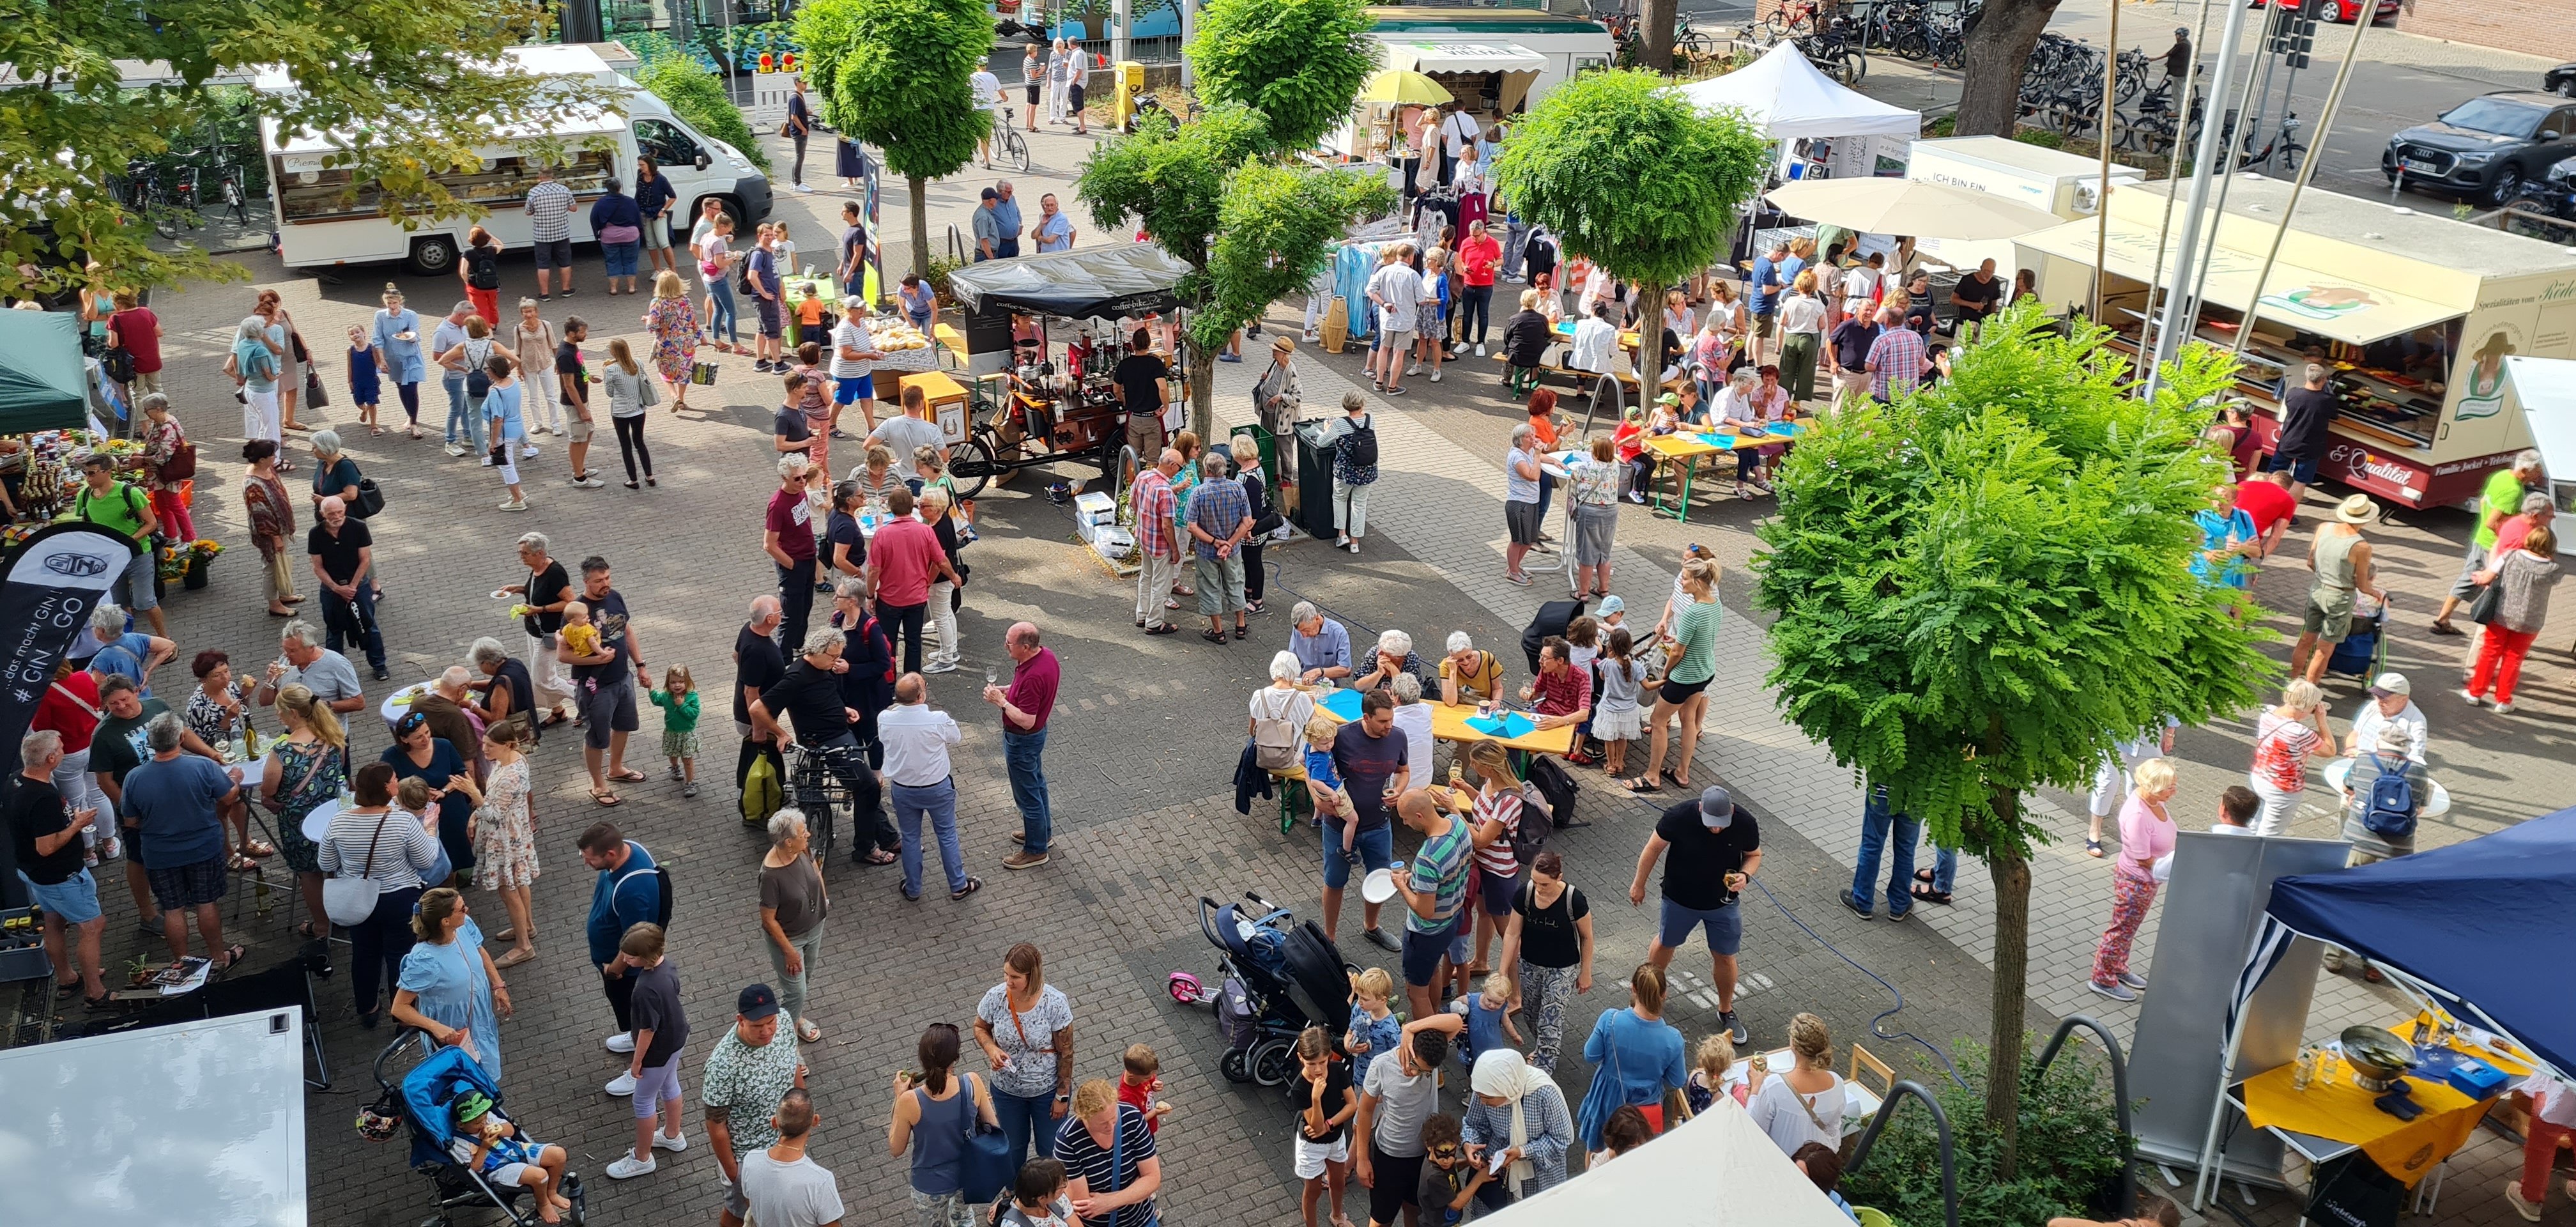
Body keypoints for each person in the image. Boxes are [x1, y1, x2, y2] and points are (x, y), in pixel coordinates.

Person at [1631, 785, 1758, 1046]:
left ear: (1731, 811)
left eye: (1721, 825)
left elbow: (1754, 855)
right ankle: (1647, 995)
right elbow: (1653, 849)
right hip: (1679, 899)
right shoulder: (1678, 816)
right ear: (1700, 809)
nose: (1716, 830)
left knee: (1725, 955)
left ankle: (1726, 1010)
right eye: (1711, 824)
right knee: (1666, 942)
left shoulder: (1745, 822)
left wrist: (1745, 876)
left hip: (1723, 903)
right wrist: (1639, 884)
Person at [122, 713, 247, 970]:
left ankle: (181, 964)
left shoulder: (134, 778)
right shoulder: (202, 767)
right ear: (180, 738)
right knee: (206, 903)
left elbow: (131, 821)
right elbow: (228, 798)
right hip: (203, 849)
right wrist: (235, 778)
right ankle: (219, 958)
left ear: (151, 742)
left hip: (160, 854)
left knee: (173, 909)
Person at [12, 730, 109, 1008]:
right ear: (51, 758)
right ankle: (95, 990)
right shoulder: (42, 798)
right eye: (62, 749)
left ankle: (68, 978)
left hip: (34, 873)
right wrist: (77, 825)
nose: (65, 751)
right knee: (92, 926)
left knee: (54, 921)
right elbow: (47, 847)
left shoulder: (15, 782)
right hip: (60, 875)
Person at [704, 983, 810, 1227]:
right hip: (748, 1158)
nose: (767, 1031)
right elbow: (715, 1124)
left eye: (770, 1022)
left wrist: (803, 1113)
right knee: (737, 1213)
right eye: (757, 1026)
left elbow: (792, 1062)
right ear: (740, 1020)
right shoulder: (722, 1065)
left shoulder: (783, 1021)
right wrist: (735, 1176)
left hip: (786, 1142)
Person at [390, 887, 514, 1079]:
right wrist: (435, 1027)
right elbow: (399, 1008)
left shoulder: (464, 926)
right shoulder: (424, 961)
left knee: (488, 1083)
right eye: (462, 909)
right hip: (453, 1036)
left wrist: (498, 985)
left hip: (480, 1023)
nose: (468, 910)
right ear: (445, 921)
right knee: (465, 1093)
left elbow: (479, 950)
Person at [880, 672, 978, 902]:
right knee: (946, 835)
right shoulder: (938, 719)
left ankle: (913, 888)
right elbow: (955, 738)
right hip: (937, 787)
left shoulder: (884, 718)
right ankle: (958, 884)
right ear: (921, 696)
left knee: (911, 837)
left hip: (903, 788)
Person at [1573, 962, 1686, 1160]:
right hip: (1645, 1108)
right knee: (1638, 1154)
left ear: (1633, 988)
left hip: (1607, 1098)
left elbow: (1590, 1055)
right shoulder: (1673, 1039)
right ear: (1664, 994)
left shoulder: (1611, 1020)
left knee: (1598, 1149)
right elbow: (1677, 1081)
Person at [1624, 559, 1719, 792]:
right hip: (1704, 672)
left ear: (1697, 582)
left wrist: (1667, 672)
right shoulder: (1715, 604)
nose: (1681, 582)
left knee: (1657, 721)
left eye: (1685, 578)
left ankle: (1652, 775)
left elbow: (1678, 653)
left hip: (1683, 676)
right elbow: (1699, 638)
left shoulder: (1691, 613)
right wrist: (1677, 639)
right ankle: (1682, 773)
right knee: (1688, 720)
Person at [1495, 850, 1593, 1074]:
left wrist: (1586, 971)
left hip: (1562, 969)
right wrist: (1502, 971)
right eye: (1535, 882)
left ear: (1559, 878)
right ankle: (1543, 1048)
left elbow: (1587, 937)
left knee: (1551, 1019)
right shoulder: (1525, 894)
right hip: (1530, 965)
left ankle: (1543, 1069)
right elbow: (1512, 933)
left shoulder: (1574, 900)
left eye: (1545, 884)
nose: (1539, 888)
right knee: (1532, 1014)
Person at [1392, 788, 1485, 1023]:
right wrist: (1417, 879)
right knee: (1432, 969)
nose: (1404, 823)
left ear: (1419, 816)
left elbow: (1425, 910)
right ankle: (1436, 1016)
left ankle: (1429, 1039)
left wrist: (1402, 885)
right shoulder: (1457, 823)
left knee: (1416, 992)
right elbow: (1448, 872)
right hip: (1453, 919)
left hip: (1426, 932)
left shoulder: (1427, 857)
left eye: (1405, 818)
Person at [604, 922, 689, 1178]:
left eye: (630, 956)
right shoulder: (668, 966)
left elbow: (647, 1030)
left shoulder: (645, 989)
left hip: (657, 1052)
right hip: (677, 1039)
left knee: (642, 1102)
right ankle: (673, 1135)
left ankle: (642, 1158)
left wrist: (637, 1062)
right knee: (670, 1084)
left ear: (645, 956)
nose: (625, 960)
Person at [1326, 691, 1410, 950]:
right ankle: (1329, 938)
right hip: (1339, 827)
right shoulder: (1341, 736)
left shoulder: (1397, 736)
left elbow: (1403, 771)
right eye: (1383, 721)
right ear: (1366, 717)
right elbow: (1311, 765)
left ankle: (1371, 927)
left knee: (1379, 878)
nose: (1389, 726)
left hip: (1379, 826)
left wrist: (1400, 790)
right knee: (1334, 882)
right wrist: (1318, 800)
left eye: (1391, 720)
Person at [2089, 757, 2177, 1002]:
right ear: (2152, 786)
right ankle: (2102, 978)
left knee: (2129, 928)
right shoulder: (2137, 815)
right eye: (2169, 787)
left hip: (2149, 881)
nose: (2174, 791)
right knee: (2121, 928)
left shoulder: (2155, 802)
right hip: (2136, 882)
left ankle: (2118, 967)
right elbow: (2144, 860)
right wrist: (2175, 866)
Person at [562, 556, 648, 805]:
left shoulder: (615, 597)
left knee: (624, 726)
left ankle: (616, 768)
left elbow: (627, 630)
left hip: (623, 678)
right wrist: (596, 661)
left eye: (608, 578)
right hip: (595, 688)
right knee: (597, 737)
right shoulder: (575, 611)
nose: (605, 584)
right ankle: (598, 785)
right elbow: (563, 654)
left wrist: (640, 665)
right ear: (586, 581)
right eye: (599, 581)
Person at [582, 823, 664, 1068]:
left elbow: (634, 943)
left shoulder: (632, 891)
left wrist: (614, 971)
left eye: (590, 860)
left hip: (626, 973)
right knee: (631, 1016)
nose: (587, 864)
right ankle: (633, 1035)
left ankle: (642, 1068)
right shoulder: (629, 849)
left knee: (639, 1016)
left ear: (611, 854)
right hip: (616, 965)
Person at [1354, 1021, 1452, 1227]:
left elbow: (1456, 1021)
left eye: (1427, 1072)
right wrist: (1362, 1159)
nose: (1417, 1074)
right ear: (1410, 1048)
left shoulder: (1431, 1055)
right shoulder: (1382, 1065)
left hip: (1425, 1156)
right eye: (1416, 1066)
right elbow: (1365, 1111)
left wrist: (1409, 1028)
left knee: (1415, 1210)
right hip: (1390, 1157)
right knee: (1382, 1219)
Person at [2462, 524, 2561, 713]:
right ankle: (2504, 700)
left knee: (2490, 653)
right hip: (2531, 620)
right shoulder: (2553, 569)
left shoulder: (2510, 556)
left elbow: (2488, 576)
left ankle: (2475, 693)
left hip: (2502, 614)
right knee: (2514, 659)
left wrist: (2479, 577)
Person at [984, 622, 1060, 869]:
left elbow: (1027, 720)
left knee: (1027, 796)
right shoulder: (1045, 656)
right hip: (1036, 737)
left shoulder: (1034, 677)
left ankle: (1036, 851)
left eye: (1009, 643)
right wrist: (1008, 690)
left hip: (1022, 740)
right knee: (1037, 784)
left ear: (1025, 647)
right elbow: (1027, 694)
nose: (1005, 645)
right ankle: (1041, 833)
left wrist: (1001, 702)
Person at [2290, 495, 2386, 683]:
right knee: (2323, 650)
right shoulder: (2361, 546)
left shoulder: (2324, 528)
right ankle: (2309, 694)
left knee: (2306, 640)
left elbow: (2310, 561)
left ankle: (2292, 683)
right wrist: (2375, 593)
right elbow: (2363, 585)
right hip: (2340, 597)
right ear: (2366, 519)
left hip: (2318, 588)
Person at [1460, 1049, 1573, 1201]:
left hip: (1539, 1177)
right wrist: (1469, 1144)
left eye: (1488, 1098)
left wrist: (1522, 1152)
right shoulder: (1485, 1088)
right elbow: (1474, 1124)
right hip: (1496, 1176)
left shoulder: (1544, 1093)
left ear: (1506, 1090)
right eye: (1480, 1097)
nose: (1482, 1102)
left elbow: (1561, 1140)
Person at [756, 810, 830, 1042]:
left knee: (803, 984)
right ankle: (788, 1046)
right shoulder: (770, 875)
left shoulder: (802, 849)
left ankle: (796, 1020)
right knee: (795, 993)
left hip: (815, 928)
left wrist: (824, 903)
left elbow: (816, 870)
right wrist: (789, 951)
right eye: (802, 833)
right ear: (788, 842)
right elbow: (768, 919)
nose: (808, 834)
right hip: (790, 940)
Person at [1054, 1079, 1162, 1227]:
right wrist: (1134, 1193)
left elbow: (1153, 1179)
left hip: (1142, 1221)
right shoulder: (1068, 1139)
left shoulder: (1132, 1117)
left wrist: (1108, 1202)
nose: (1111, 1126)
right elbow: (1084, 1204)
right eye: (1103, 1123)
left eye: (1113, 1118)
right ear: (1084, 1117)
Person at [1746, 1014, 1848, 1158]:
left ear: (1793, 1045)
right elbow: (1834, 1130)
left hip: (1783, 1165)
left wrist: (1755, 1089)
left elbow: (1753, 1130)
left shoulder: (1774, 1086)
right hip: (1816, 1166)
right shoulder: (1837, 1083)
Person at [740, 1089, 843, 1227]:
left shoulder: (751, 1161)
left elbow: (750, 1201)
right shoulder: (820, 1181)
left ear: (774, 1122)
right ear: (816, 1120)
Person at [1291, 1026, 1359, 1227]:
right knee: (1312, 1191)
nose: (1318, 1069)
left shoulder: (1337, 1070)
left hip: (1335, 1139)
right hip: (1311, 1147)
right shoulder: (1300, 1088)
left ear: (1329, 1056)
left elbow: (1352, 1105)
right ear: (1301, 1058)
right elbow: (1315, 1124)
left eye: (1322, 1062)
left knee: (1338, 1182)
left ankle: (1337, 1216)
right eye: (1312, 1064)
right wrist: (1316, 1098)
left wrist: (1329, 1125)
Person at [1186, 451, 1254, 644]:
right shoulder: (1238, 488)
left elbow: (1191, 526)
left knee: (1210, 588)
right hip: (1233, 551)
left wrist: (1215, 543)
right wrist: (1229, 544)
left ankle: (1219, 632)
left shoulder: (1198, 493)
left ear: (1207, 470)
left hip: (1207, 552)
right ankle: (1240, 625)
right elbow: (1247, 521)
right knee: (1236, 584)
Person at [2248, 680, 2331, 836]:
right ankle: (2258, 859)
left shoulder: (2266, 711)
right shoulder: (2300, 733)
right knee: (2269, 837)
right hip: (2282, 790)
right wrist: (2322, 722)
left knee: (2254, 825)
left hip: (2259, 778)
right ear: (2306, 706)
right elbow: (2330, 751)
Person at [2269, 363, 2339, 502]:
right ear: (2323, 380)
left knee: (2274, 474)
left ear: (2306, 377)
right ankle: (2288, 513)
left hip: (2288, 441)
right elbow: (2334, 415)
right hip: (2312, 447)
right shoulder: (2328, 400)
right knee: (2300, 481)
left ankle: (2266, 502)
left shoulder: (2293, 393)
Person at [1327, 394, 1379, 553]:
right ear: (1362, 405)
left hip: (1345, 472)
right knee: (1359, 504)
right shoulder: (1371, 420)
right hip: (1367, 470)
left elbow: (1322, 441)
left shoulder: (1339, 424)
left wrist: (1328, 429)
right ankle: (1355, 542)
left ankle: (1342, 534)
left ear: (1345, 406)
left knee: (1340, 498)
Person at [1369, 246, 1424, 396]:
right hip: (1405, 320)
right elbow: (1421, 299)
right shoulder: (1413, 276)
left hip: (1387, 318)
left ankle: (1379, 381)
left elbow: (1369, 290)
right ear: (1410, 258)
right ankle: (1392, 387)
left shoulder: (1384, 271)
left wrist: (1383, 303)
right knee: (1398, 353)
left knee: (1383, 349)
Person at [1775, 270, 1827, 403]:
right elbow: (1822, 325)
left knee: (1786, 369)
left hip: (1791, 336)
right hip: (1810, 339)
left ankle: (1783, 400)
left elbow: (1782, 322)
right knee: (1806, 371)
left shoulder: (1790, 301)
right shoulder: (1819, 304)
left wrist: (1778, 344)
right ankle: (1797, 402)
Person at [590, 178, 645, 295]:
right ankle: (631, 287)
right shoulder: (630, 202)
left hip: (609, 237)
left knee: (612, 261)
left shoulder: (600, 203)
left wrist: (598, 234)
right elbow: (638, 218)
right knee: (630, 260)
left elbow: (594, 219)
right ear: (620, 187)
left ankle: (613, 289)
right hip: (630, 235)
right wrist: (640, 232)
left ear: (607, 188)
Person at [1864, 305, 1926, 403]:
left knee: (1882, 418)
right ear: (1903, 320)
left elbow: (1869, 367)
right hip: (1909, 393)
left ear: (1887, 320)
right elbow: (1922, 362)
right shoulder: (1916, 337)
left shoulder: (1882, 340)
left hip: (1885, 394)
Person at [1291, 604, 1355, 686]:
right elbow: (1292, 660)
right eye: (1300, 632)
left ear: (1317, 619)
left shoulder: (1339, 632)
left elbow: (1346, 670)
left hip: (1328, 686)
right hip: (1302, 684)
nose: (1304, 636)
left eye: (1306, 630)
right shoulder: (1298, 630)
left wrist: (1320, 672)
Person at [1949, 259, 2002, 341]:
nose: (1987, 275)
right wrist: (1971, 305)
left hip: (1983, 325)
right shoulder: (1968, 280)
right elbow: (1953, 299)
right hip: (1965, 323)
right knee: (1959, 350)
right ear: (1981, 268)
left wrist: (1991, 323)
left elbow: (1994, 305)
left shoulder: (1995, 283)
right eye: (1985, 271)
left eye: (1991, 272)